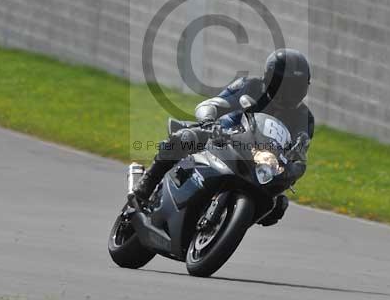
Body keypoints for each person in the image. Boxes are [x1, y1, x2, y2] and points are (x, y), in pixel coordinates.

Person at [132, 48, 314, 226]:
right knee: (186, 137)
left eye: (295, 87)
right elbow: (214, 104)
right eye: (284, 84)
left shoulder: (304, 117)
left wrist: (293, 169)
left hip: (262, 159)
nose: (288, 92)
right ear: (270, 78)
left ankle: (231, 221)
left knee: (278, 205)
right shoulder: (251, 86)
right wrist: (209, 121)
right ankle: (149, 181)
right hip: (226, 135)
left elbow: (299, 152)